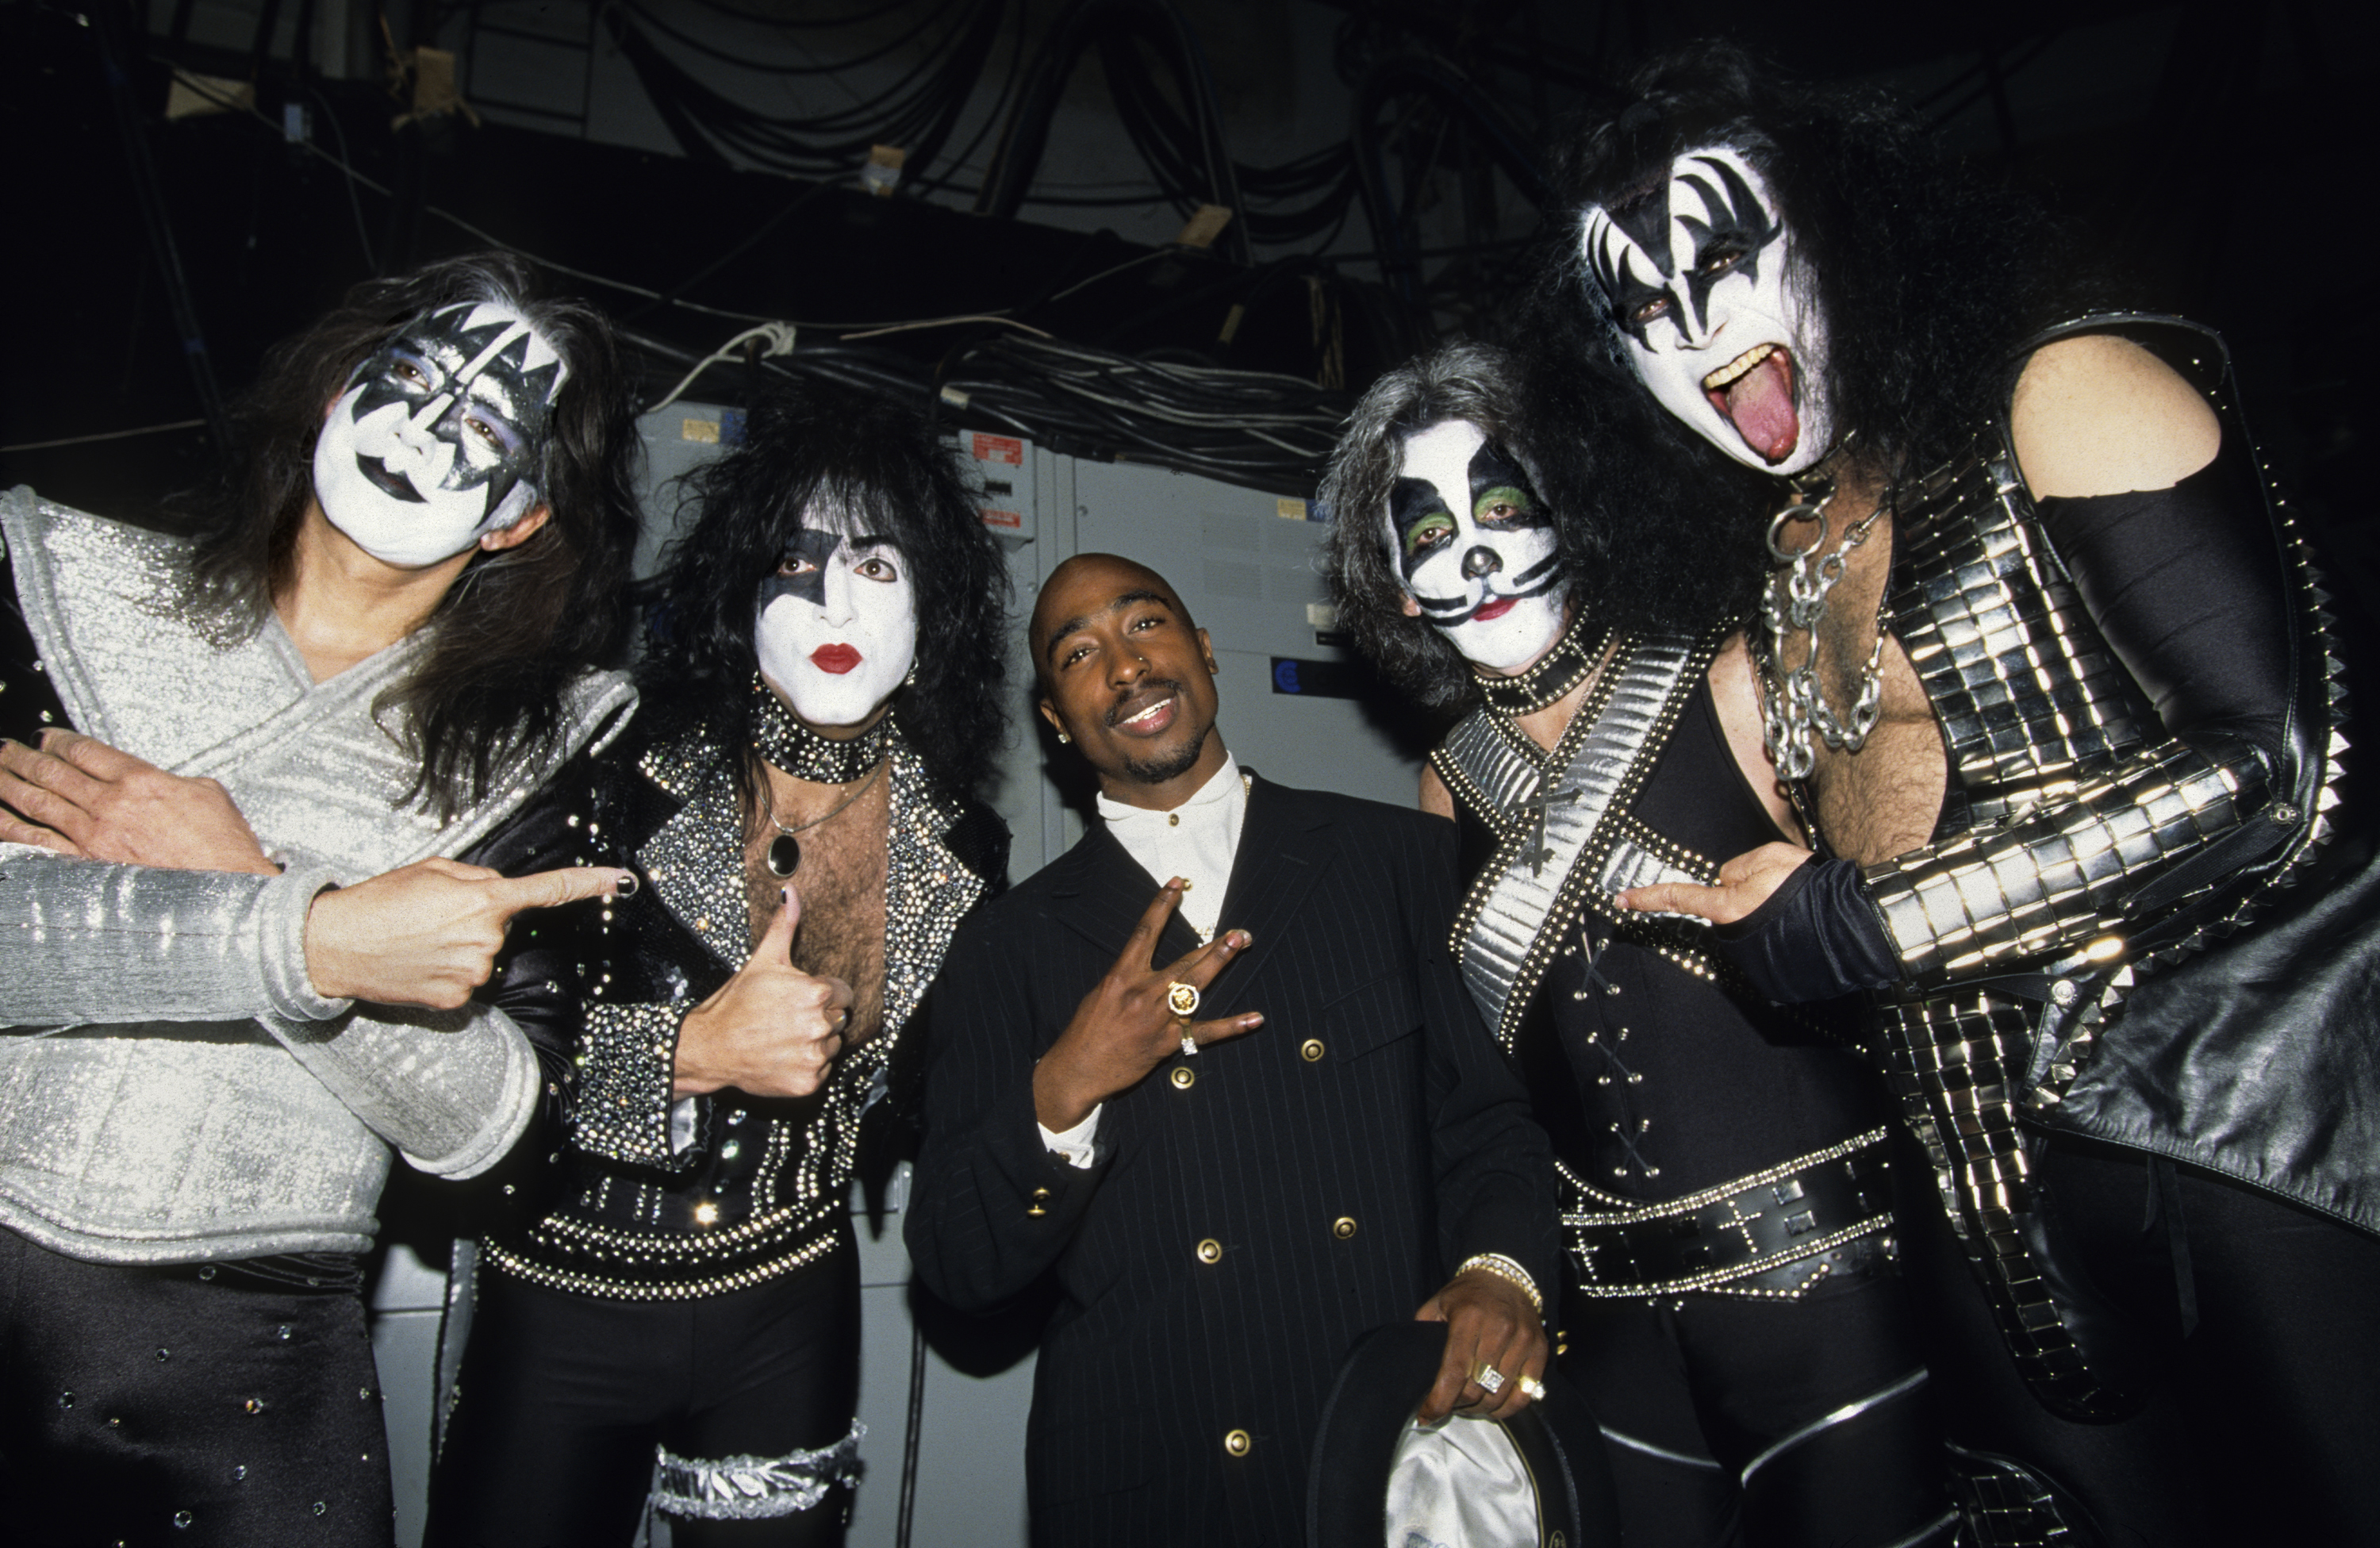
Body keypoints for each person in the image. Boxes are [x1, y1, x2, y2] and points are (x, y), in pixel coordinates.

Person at [1535, 42, 2377, 1547]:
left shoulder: (2064, 385)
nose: (1697, 320)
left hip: (2236, 1133)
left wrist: (1855, 929)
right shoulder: (1782, 578)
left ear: (1847, 227)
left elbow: (2273, 774)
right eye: (1641, 308)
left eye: (1725, 256)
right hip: (1983, 1202)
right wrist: (1779, 917)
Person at [0, 252, 641, 1545]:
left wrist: (251, 888)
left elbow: (502, 1129)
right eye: (409, 377)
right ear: (338, 389)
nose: (419, 426)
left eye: (479, 422)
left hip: (248, 1378)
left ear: (520, 513)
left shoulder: (547, 755)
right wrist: (322, 938)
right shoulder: (57, 583)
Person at [1322, 341, 1952, 1548]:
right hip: (1607, 1334)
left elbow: (1918, 918)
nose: (1480, 551)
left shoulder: (1733, 671)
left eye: (1506, 504)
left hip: (1831, 1291)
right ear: (1397, 586)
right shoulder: (1447, 786)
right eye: (1433, 532)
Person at [427, 380, 1012, 1546]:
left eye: (879, 566)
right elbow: (455, 1065)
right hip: (564, 1291)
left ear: (932, 609)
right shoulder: (609, 778)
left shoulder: (962, 843)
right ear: (740, 598)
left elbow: (947, 1097)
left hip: (792, 1307)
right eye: (797, 562)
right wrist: (690, 1053)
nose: (838, 594)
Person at [904, 551, 1560, 1546]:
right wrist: (1063, 1086)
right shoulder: (1007, 944)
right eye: (1079, 654)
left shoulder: (1396, 862)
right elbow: (957, 1261)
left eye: (1146, 625)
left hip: (1390, 1454)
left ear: (1204, 652)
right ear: (1055, 719)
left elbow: (1493, 1117)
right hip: (1153, 1479)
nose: (1125, 667)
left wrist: (1502, 1272)